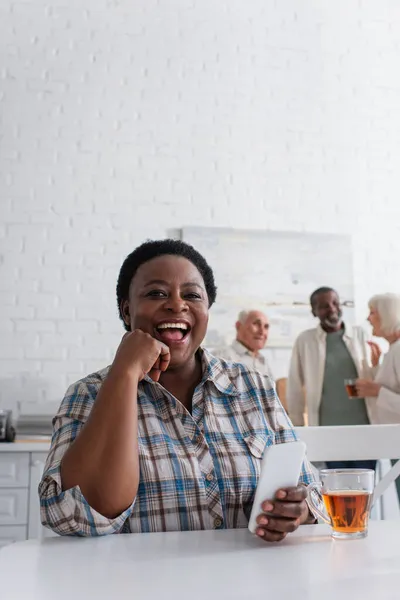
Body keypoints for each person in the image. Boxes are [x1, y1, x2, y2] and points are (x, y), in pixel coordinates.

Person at [39, 239, 315, 542]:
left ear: (207, 310)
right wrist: (125, 373)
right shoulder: (88, 395)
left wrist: (298, 511)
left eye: (192, 295)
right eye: (156, 293)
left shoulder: (254, 387)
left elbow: (311, 491)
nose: (176, 304)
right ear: (127, 311)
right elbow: (74, 517)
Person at [286, 286, 376, 470]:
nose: (332, 309)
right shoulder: (305, 340)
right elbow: (294, 386)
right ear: (314, 311)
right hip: (327, 433)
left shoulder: (360, 334)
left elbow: (374, 376)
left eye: (335, 303)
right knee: (334, 492)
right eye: (324, 306)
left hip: (364, 431)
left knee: (365, 491)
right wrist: (297, 429)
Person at [355, 293, 400, 498]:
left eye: (372, 312)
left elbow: (386, 393)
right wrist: (376, 367)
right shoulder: (393, 350)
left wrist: (377, 392)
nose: (368, 318)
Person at [215, 310, 288, 410]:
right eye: (256, 324)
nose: (262, 331)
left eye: (266, 327)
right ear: (238, 326)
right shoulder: (221, 357)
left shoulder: (263, 361)